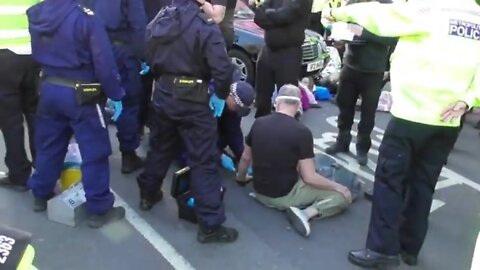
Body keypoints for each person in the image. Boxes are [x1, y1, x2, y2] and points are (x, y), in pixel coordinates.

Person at [322, 0, 480, 267]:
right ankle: (409, 248)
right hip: (449, 119)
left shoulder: (429, 9)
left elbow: (376, 15)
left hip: (412, 115)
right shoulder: (475, 15)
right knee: (423, 184)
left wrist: (334, 12)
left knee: (390, 181)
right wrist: (469, 100)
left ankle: (382, 250)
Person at [138, 0, 238, 243]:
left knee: (160, 148)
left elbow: (145, 50)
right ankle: (210, 225)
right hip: (194, 100)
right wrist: (220, 95)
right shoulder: (205, 25)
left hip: (164, 94)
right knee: (203, 161)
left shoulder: (162, 19)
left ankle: (148, 194)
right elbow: (222, 69)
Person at [27, 0, 126, 228]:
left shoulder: (37, 13)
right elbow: (104, 62)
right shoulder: (86, 18)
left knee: (49, 144)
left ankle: (40, 193)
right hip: (82, 94)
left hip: (49, 87)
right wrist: (116, 94)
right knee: (95, 150)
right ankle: (99, 208)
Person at [236, 85, 352, 237]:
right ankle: (306, 214)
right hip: (283, 196)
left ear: (276, 102)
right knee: (340, 196)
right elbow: (309, 177)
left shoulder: (258, 123)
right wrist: (338, 187)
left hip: (258, 190)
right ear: (298, 106)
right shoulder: (302, 132)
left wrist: (241, 178)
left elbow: (246, 157)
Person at [325, 0, 397, 166]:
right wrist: (339, 37)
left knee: (368, 113)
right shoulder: (354, 3)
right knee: (344, 106)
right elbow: (344, 25)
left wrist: (363, 33)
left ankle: (362, 149)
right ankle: (342, 142)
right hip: (350, 66)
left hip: (373, 71)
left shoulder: (388, 7)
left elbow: (392, 39)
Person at [81, 0, 148, 174]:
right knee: (128, 102)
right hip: (121, 49)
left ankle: (95, 155)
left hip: (91, 46)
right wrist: (144, 56)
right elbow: (138, 23)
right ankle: (128, 155)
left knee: (94, 101)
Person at [0, 0, 40, 192]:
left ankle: (18, 174)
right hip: (34, 55)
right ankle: (43, 171)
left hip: (4, 57)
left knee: (10, 121)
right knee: (36, 116)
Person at [253, 0, 313, 118]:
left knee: (287, 97)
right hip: (268, 50)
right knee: (262, 95)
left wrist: (269, 14)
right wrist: (275, 17)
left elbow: (285, 15)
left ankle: (287, 129)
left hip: (289, 52)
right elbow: (258, 17)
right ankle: (260, 126)